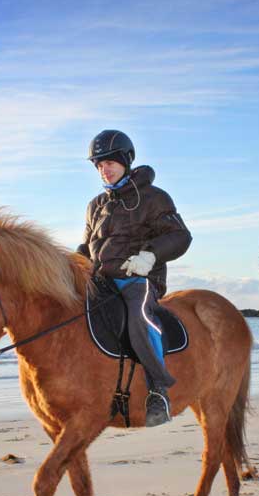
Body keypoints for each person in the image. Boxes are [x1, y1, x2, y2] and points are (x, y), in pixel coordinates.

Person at [77, 130, 192, 427]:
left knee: (138, 315)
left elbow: (180, 236)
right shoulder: (95, 206)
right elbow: (86, 246)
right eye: (99, 164)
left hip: (138, 280)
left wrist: (149, 256)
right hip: (100, 280)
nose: (105, 168)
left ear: (126, 160)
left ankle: (158, 390)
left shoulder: (153, 198)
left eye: (111, 161)